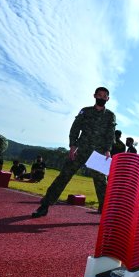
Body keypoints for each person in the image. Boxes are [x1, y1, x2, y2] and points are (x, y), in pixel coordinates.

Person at [32, 87, 116, 218]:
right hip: (81, 150)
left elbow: (110, 135)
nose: (101, 98)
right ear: (94, 96)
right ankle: (44, 206)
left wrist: (107, 150)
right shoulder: (85, 111)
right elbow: (75, 128)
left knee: (101, 182)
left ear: (108, 99)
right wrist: (72, 146)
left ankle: (105, 211)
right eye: (99, 95)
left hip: (98, 154)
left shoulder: (110, 115)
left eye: (104, 96)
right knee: (64, 176)